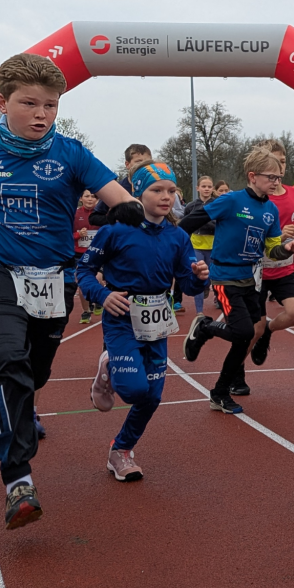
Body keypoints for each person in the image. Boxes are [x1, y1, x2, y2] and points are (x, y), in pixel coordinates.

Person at [0, 53, 135, 530]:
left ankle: (22, 417)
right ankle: (17, 477)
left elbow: (113, 190)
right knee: (5, 361)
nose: (41, 114)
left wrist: (130, 208)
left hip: (54, 278)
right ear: (1, 103)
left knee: (33, 373)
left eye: (51, 106)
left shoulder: (70, 153)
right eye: (30, 103)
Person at [79, 163, 208, 481]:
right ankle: (109, 364)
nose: (166, 197)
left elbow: (188, 286)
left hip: (157, 321)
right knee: (135, 389)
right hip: (121, 317)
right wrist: (102, 295)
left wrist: (200, 278)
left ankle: (120, 450)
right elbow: (82, 271)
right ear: (137, 193)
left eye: (170, 190)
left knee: (151, 397)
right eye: (157, 190)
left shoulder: (178, 236)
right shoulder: (114, 231)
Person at [179, 149, 294, 414]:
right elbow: (191, 221)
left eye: (279, 177)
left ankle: (219, 392)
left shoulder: (271, 210)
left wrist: (288, 249)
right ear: (253, 176)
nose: (276, 182)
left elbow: (271, 249)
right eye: (271, 177)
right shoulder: (231, 200)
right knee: (242, 332)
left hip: (251, 279)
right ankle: (206, 327)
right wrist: (170, 242)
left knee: (249, 335)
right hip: (225, 277)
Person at [246, 140, 294, 392]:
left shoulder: (293, 192)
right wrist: (279, 237)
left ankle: (270, 330)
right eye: (274, 163)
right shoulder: (256, 196)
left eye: (282, 162)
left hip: (284, 267)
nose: (279, 169)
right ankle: (236, 373)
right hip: (258, 270)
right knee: (252, 330)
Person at [183, 176, 217, 316]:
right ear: (198, 188)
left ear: (213, 189)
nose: (206, 189)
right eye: (204, 186)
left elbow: (219, 224)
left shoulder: (217, 203)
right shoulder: (191, 206)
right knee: (198, 275)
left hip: (213, 245)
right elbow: (186, 223)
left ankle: (207, 286)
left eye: (209, 186)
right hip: (196, 245)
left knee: (210, 276)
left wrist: (205, 222)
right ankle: (199, 312)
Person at [73, 190, 99, 323]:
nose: (90, 199)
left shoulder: (103, 215)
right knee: (82, 282)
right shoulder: (75, 214)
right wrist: (78, 235)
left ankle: (99, 299)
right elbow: (65, 235)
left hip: (98, 253)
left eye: (93, 197)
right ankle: (86, 311)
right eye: (87, 196)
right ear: (81, 198)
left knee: (99, 278)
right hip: (80, 254)